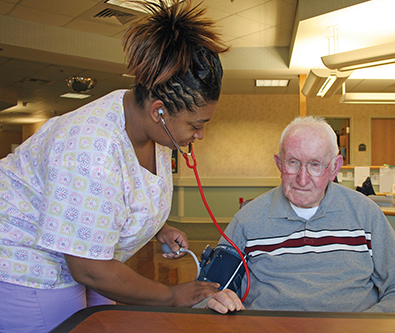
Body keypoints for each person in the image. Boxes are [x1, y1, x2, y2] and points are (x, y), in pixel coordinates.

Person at [0, 1, 242, 332]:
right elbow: (87, 268)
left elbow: (119, 194)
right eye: (196, 125)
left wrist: (160, 229)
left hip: (94, 258)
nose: (200, 134)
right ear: (159, 111)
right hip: (29, 263)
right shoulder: (91, 147)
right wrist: (172, 295)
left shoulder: (147, 127)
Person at [215, 116, 395, 312]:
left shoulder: (366, 214)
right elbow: (209, 291)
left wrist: (367, 326)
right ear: (279, 163)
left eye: (315, 165)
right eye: (293, 162)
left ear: (334, 168)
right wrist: (217, 300)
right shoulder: (246, 220)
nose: (302, 179)